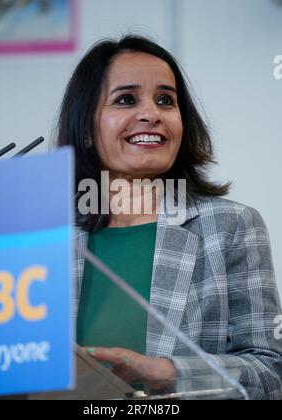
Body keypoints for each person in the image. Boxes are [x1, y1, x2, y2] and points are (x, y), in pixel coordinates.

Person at [57, 35, 282, 399]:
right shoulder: (43, 235)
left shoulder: (232, 227)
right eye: (126, 99)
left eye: (166, 100)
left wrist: (167, 372)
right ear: (85, 128)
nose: (152, 114)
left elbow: (271, 373)